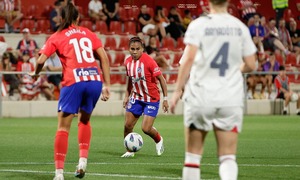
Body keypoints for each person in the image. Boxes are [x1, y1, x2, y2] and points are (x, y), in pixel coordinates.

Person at [170, 0, 256, 179]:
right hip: (229, 98)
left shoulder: (198, 25)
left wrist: (177, 91)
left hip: (201, 96)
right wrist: (233, 71)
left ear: (207, 2)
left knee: (193, 156)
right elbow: (251, 64)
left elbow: (188, 59)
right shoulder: (239, 27)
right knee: (227, 157)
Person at [29, 2, 110, 179]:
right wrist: (106, 85)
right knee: (85, 121)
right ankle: (82, 162)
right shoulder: (89, 33)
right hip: (94, 80)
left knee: (63, 128)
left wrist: (35, 74)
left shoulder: (57, 36)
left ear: (62, 18)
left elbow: (41, 59)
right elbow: (104, 57)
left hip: (74, 81)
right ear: (78, 17)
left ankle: (59, 174)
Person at [121, 36, 169, 158]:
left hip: (151, 99)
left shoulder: (149, 62)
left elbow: (162, 79)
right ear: (129, 49)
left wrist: (165, 99)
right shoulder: (127, 62)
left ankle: (158, 140)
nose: (135, 51)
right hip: (136, 98)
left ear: (142, 49)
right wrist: (127, 95)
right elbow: (130, 80)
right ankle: (129, 150)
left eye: (138, 49)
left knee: (146, 128)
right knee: (127, 125)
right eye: (132, 49)